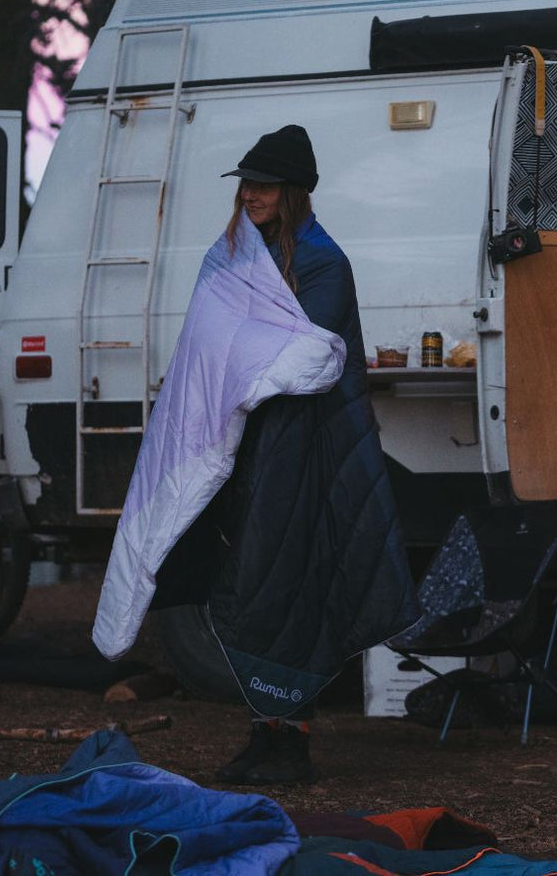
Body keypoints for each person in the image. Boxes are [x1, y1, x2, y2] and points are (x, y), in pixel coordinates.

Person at [145, 124, 419, 785]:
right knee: (248, 587)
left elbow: (305, 357)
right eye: (246, 184)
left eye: (264, 184)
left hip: (305, 450)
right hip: (249, 448)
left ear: (294, 191)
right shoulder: (248, 259)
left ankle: (290, 743)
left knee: (293, 588)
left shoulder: (323, 263)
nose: (250, 195)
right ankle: (262, 733)